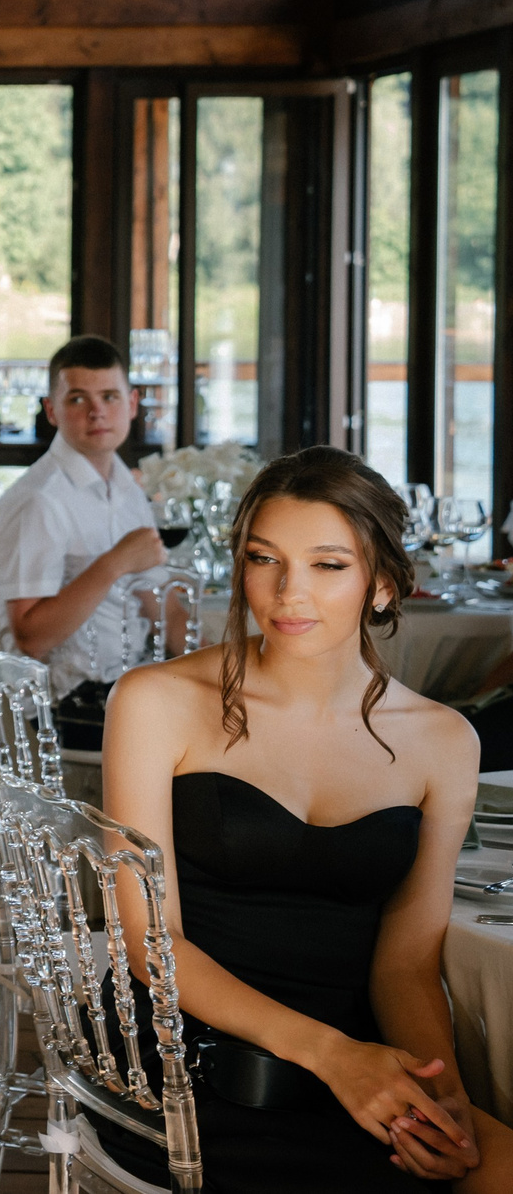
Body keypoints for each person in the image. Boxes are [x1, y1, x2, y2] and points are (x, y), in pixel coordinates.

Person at [100, 446, 513, 1191]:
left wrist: (438, 1094)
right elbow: (149, 944)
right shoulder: (155, 701)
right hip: (186, 1058)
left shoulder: (446, 741)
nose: (289, 592)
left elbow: (407, 964)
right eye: (265, 558)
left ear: (384, 585)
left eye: (328, 564)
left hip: (360, 1056)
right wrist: (332, 1056)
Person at [0, 333, 171, 744]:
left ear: (133, 403)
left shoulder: (123, 485)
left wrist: (226, 665)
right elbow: (31, 638)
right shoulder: (39, 500)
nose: (97, 413)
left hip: (125, 686)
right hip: (64, 707)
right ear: (51, 410)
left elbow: (159, 604)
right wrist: (113, 564)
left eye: (109, 396)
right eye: (77, 399)